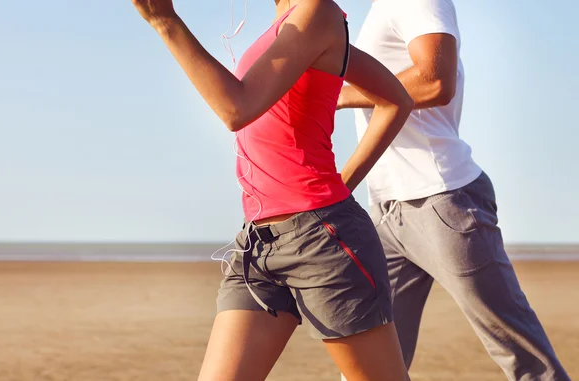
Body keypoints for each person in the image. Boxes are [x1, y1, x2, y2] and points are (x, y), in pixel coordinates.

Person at [131, 0, 415, 380]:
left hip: (322, 241)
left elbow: (237, 107)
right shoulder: (290, 27)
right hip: (257, 245)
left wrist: (165, 21)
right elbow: (396, 97)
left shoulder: (317, 12)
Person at [337, 0, 571, 380]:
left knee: (527, 362)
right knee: (374, 366)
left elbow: (435, 80)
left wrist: (341, 95)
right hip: (387, 210)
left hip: (441, 202)